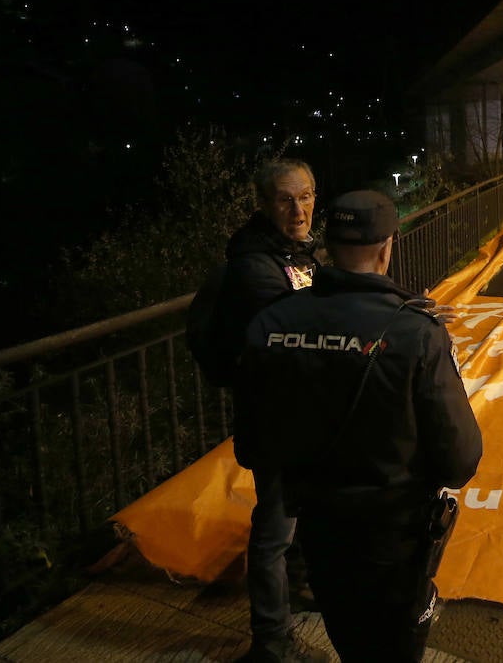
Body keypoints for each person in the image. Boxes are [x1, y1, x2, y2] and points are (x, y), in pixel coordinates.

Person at [242, 191, 483, 662]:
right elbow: (461, 458)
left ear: (327, 245)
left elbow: (253, 442)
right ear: (388, 246)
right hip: (391, 535)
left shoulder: (272, 322)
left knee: (348, 635)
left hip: (315, 528)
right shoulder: (416, 331)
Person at [212, 159, 320, 663]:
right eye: (285, 199)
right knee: (273, 530)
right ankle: (271, 644)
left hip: (300, 412)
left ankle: (298, 590)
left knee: (302, 513)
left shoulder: (295, 252)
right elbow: (300, 319)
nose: (298, 209)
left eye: (306, 196)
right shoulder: (254, 262)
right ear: (263, 204)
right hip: (274, 417)